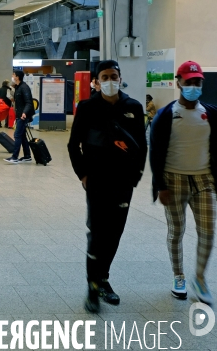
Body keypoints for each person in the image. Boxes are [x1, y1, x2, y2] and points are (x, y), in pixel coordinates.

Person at [67, 60, 147, 313]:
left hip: (123, 183)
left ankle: (103, 280)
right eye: (105, 76)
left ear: (120, 78)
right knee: (98, 233)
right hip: (97, 181)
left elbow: (142, 146)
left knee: (114, 234)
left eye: (114, 76)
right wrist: (83, 175)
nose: (110, 80)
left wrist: (135, 177)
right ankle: (92, 286)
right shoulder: (87, 107)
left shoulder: (133, 107)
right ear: (97, 81)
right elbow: (73, 144)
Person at [150, 61, 216, 306]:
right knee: (176, 232)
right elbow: (155, 152)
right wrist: (160, 186)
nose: (193, 86)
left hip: (204, 180)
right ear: (178, 82)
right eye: (188, 82)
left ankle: (200, 278)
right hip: (174, 179)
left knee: (208, 232)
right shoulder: (166, 115)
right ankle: (178, 276)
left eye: (197, 82)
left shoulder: (210, 113)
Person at [4, 71, 35, 164]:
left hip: (23, 116)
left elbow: (29, 102)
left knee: (17, 135)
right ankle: (27, 156)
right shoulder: (18, 87)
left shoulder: (24, 87)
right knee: (22, 135)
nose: (12, 76)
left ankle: (15, 157)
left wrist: (24, 113)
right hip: (20, 115)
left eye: (13, 75)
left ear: (17, 77)